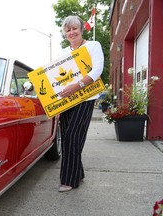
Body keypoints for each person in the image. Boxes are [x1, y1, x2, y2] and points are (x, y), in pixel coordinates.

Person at [58, 15, 104, 192]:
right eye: (68, 30)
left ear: (81, 29)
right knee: (68, 136)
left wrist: (77, 86)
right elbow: (56, 78)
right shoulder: (63, 53)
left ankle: (69, 180)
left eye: (74, 28)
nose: (72, 32)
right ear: (65, 34)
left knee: (72, 136)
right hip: (67, 100)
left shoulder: (93, 45)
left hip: (86, 97)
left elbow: (97, 70)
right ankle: (78, 172)